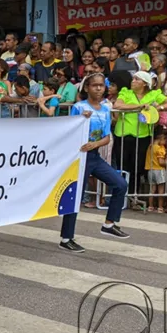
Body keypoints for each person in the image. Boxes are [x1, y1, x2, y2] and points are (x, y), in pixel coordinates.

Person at [57, 73, 130, 253]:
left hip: (95, 156)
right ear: (87, 88)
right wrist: (83, 120)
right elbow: (69, 131)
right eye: (94, 85)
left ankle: (109, 224)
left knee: (120, 184)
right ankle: (67, 238)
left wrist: (94, 144)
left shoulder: (105, 109)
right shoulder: (79, 107)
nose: (98, 88)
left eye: (101, 85)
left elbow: (106, 137)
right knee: (76, 198)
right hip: (79, 157)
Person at [113, 71, 167, 194]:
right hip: (123, 134)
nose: (133, 81)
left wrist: (157, 108)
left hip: (143, 136)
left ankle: (133, 195)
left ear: (145, 83)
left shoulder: (154, 94)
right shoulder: (125, 92)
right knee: (122, 166)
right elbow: (118, 105)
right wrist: (139, 106)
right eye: (133, 79)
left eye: (137, 79)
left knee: (137, 168)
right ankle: (120, 195)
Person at [145, 128, 167, 212]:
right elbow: (161, 162)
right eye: (165, 139)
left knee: (152, 190)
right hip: (159, 170)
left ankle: (150, 206)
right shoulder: (160, 148)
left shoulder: (150, 147)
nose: (166, 142)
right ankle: (160, 207)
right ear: (160, 138)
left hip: (150, 170)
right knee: (161, 190)